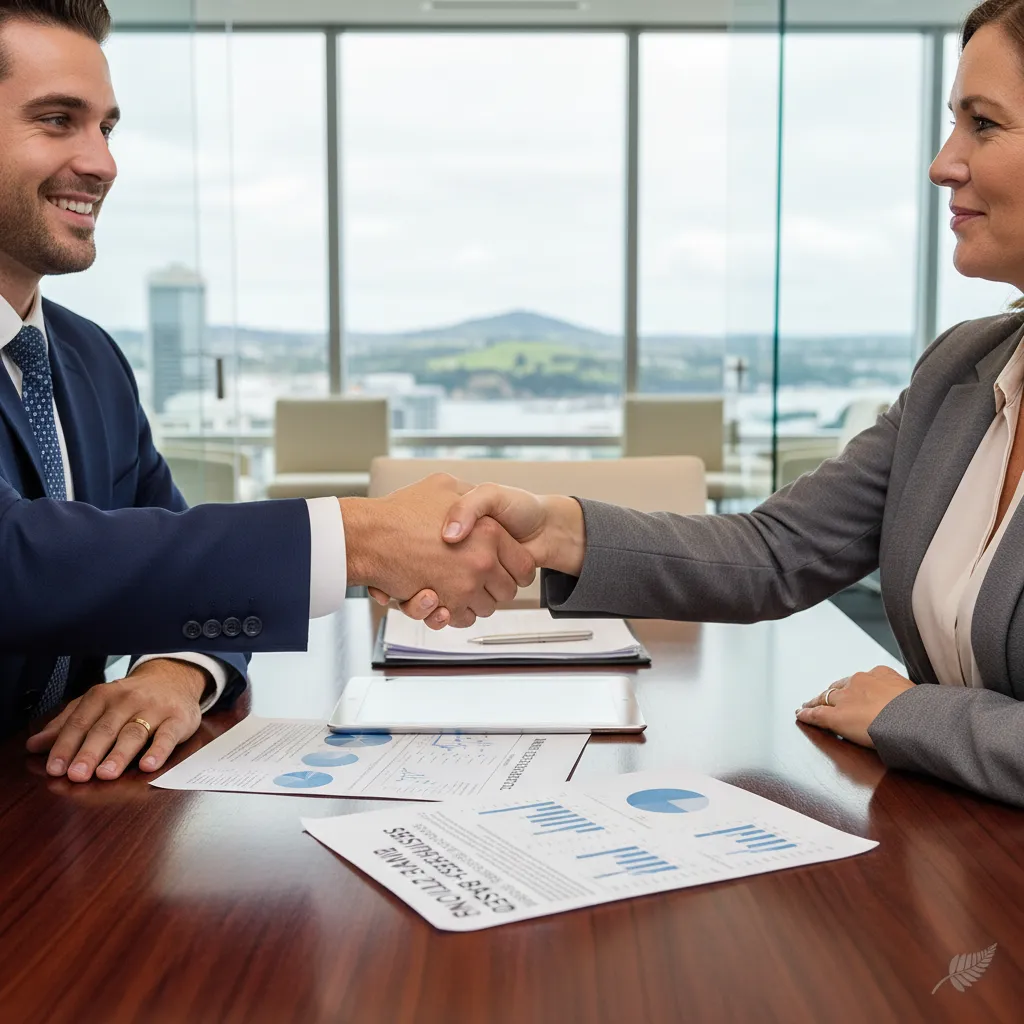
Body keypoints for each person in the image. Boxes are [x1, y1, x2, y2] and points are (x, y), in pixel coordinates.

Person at [384, 0, 1024, 809]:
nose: (942, 163)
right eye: (952, 122)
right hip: (946, 846)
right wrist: (551, 529)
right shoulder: (958, 372)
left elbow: (919, 707)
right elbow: (775, 553)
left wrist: (913, 716)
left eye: (982, 124)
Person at [0, 0, 531, 779]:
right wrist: (362, 536)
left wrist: (175, 671)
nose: (102, 163)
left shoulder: (89, 358)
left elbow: (185, 564)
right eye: (57, 120)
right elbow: (20, 559)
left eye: (106, 128)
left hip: (63, 810)